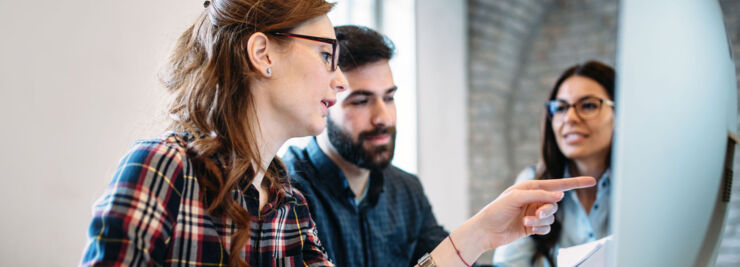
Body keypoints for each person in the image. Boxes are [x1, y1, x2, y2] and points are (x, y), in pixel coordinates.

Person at [284, 25, 597, 267]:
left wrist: (488, 235)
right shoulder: (286, 190)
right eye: (362, 101)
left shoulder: (406, 189)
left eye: (389, 97)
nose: (383, 117)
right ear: (326, 100)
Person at [80, 0, 348, 266]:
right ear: (262, 53)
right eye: (326, 55)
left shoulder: (291, 205)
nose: (341, 81)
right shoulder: (164, 167)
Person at [493, 61, 616, 267]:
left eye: (588, 105)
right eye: (560, 108)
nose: (570, 118)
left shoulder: (644, 186)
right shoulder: (533, 182)